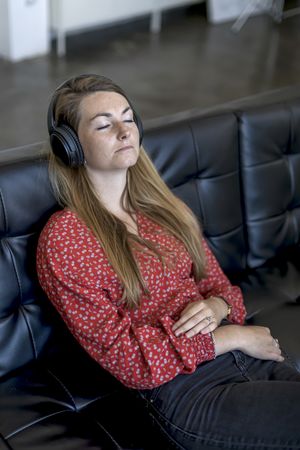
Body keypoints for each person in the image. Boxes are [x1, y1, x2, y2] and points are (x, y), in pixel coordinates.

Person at [37, 73, 300, 450]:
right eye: (104, 124)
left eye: (128, 118)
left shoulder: (163, 209)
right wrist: (232, 334)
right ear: (71, 146)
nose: (124, 132)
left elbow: (222, 287)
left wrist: (216, 305)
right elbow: (129, 362)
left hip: (246, 358)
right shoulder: (66, 238)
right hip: (189, 391)